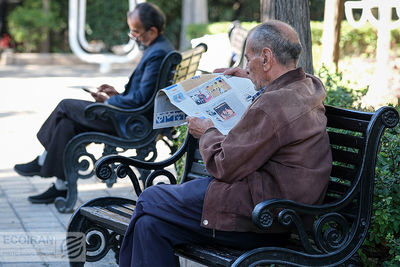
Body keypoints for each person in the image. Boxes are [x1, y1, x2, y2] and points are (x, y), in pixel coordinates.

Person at [119, 20, 333, 266]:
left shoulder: (273, 106)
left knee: (149, 200)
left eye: (247, 59)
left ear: (266, 58)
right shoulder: (308, 85)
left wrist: (207, 131)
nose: (245, 67)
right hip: (276, 206)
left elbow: (223, 165)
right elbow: (278, 85)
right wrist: (248, 75)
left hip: (261, 215)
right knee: (149, 226)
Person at [13, 2, 174, 204]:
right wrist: (116, 93)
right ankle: (60, 187)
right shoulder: (159, 47)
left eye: (136, 32)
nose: (133, 37)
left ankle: (42, 161)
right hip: (133, 118)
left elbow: (140, 100)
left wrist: (110, 101)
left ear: (152, 30)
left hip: (130, 123)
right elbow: (142, 94)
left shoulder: (157, 53)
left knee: (65, 106)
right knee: (66, 124)